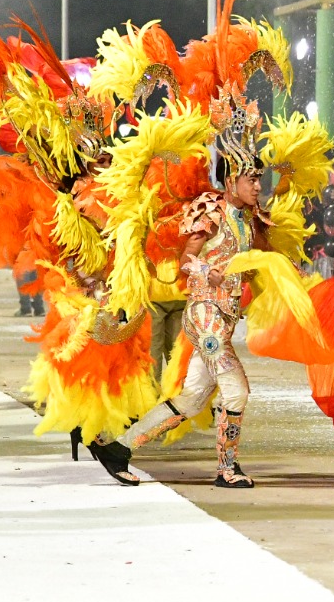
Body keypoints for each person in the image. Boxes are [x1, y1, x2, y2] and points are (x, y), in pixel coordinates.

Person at [89, 117, 272, 490]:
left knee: (192, 399)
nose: (257, 185)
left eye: (259, 178)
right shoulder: (210, 212)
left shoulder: (250, 219)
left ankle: (117, 449)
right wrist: (211, 272)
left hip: (224, 318)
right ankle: (227, 469)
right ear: (231, 178)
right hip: (205, 315)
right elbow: (185, 260)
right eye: (250, 178)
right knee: (236, 390)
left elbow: (252, 263)